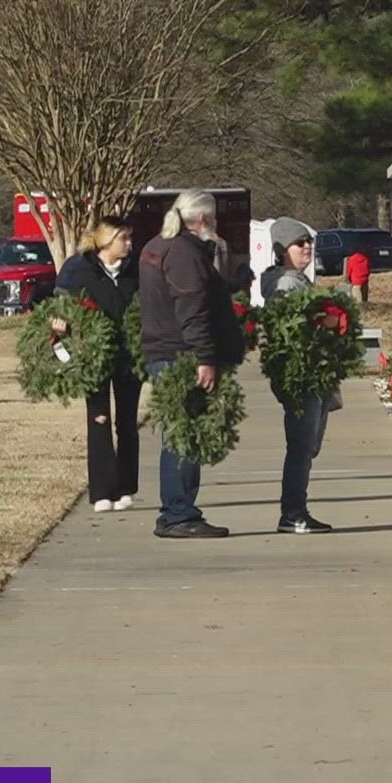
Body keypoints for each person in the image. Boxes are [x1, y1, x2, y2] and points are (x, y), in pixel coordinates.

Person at [139, 189, 244, 540]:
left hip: (163, 351)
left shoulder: (157, 245)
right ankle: (178, 514)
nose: (214, 226)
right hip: (181, 356)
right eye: (212, 219)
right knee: (184, 437)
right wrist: (205, 358)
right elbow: (192, 308)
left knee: (178, 435)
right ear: (201, 220)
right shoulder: (183, 253)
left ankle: (177, 511)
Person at [55, 215, 142, 512]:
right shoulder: (79, 269)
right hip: (94, 354)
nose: (129, 243)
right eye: (124, 238)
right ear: (106, 241)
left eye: (130, 238)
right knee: (99, 418)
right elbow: (61, 305)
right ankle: (103, 491)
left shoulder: (135, 270)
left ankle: (126, 486)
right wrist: (61, 325)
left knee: (127, 421)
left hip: (129, 355)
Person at [261, 220, 337, 534]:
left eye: (308, 241)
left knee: (308, 445)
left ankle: (296, 509)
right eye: (299, 243)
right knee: (302, 446)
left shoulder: (298, 281)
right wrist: (325, 323)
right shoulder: (286, 285)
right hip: (300, 373)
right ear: (282, 251)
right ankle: (292, 513)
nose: (307, 247)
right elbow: (292, 330)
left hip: (310, 372)